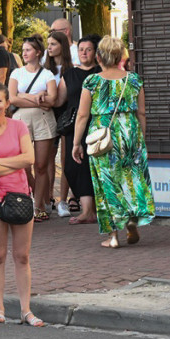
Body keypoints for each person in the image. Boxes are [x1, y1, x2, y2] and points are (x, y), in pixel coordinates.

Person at [0, 81, 43, 326]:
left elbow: (29, 159)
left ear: (7, 103)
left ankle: (26, 309)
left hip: (20, 196)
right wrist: (13, 160)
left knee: (22, 256)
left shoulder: (19, 126)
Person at [71, 36, 154, 248]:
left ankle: (113, 235)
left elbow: (82, 115)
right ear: (120, 57)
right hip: (130, 131)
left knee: (106, 181)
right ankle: (132, 219)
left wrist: (76, 143)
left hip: (103, 133)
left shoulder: (92, 81)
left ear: (99, 57)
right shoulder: (134, 80)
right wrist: (140, 138)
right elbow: (142, 112)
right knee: (132, 179)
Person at [9, 36, 57, 221]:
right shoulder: (17, 73)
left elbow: (52, 100)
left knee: (41, 165)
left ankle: (38, 206)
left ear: (38, 52)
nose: (24, 53)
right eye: (23, 50)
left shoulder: (47, 75)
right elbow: (12, 98)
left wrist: (25, 95)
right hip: (21, 120)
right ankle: (35, 198)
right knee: (23, 165)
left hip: (44, 120)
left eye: (28, 50)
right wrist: (36, 97)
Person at [57, 34, 101, 224]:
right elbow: (59, 101)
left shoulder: (102, 73)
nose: (83, 53)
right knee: (74, 167)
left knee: (95, 167)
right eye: (81, 49)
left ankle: (91, 211)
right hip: (76, 125)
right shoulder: (69, 74)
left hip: (98, 124)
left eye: (88, 49)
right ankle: (88, 210)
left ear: (96, 52)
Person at [45, 30, 73, 217]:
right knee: (46, 158)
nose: (49, 47)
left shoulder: (71, 70)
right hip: (47, 114)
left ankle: (63, 200)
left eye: (53, 44)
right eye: (48, 44)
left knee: (65, 160)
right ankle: (48, 199)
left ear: (62, 46)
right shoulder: (44, 70)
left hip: (66, 115)